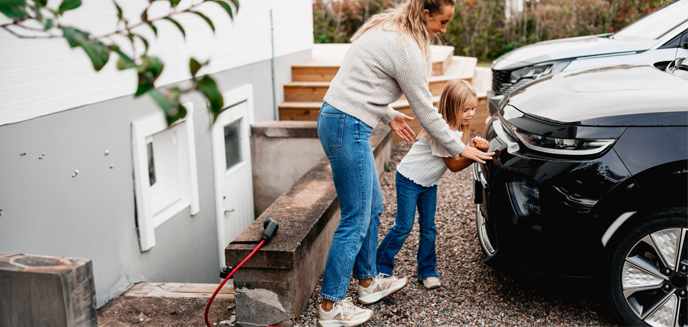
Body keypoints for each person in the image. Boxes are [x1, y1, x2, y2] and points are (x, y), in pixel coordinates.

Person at [315, 0, 494, 325]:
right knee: (355, 218)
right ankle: (331, 306)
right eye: (442, 21)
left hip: (343, 118)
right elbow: (427, 111)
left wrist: (388, 114)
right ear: (425, 13)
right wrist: (460, 147)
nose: (444, 29)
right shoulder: (408, 48)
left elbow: (358, 81)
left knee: (373, 206)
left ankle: (368, 282)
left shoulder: (386, 30)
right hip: (346, 124)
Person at [376, 79, 489, 292]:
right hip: (409, 179)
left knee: (429, 228)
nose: (471, 114)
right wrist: (477, 155)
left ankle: (427, 270)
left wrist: (475, 147)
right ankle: (379, 266)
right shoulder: (440, 132)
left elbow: (460, 151)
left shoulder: (457, 130)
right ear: (451, 108)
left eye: (473, 108)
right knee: (404, 227)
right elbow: (454, 165)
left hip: (429, 183)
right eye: (466, 109)